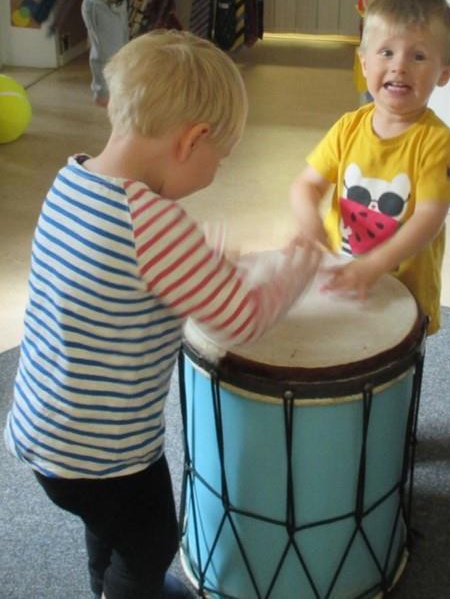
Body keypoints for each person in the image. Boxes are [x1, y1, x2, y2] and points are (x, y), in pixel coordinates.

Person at [4, 30, 321, 599]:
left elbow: (116, 273)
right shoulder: (155, 224)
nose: (216, 173)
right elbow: (239, 319)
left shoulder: (70, 178)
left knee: (106, 527)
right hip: (108, 452)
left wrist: (202, 257)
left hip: (42, 430)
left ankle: (105, 585)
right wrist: (293, 275)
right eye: (218, 159)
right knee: (150, 540)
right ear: (191, 140)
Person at [290, 0, 450, 334]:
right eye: (386, 52)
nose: (399, 66)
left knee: (392, 374)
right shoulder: (347, 127)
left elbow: (428, 220)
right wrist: (308, 222)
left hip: (404, 294)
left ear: (444, 74)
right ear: (364, 63)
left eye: (418, 56)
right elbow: (307, 184)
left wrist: (374, 266)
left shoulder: (437, 142)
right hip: (340, 274)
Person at [81, 0, 149, 106]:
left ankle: (118, 90)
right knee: (106, 54)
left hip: (116, 4)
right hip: (100, 6)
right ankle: (103, 94)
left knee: (121, 50)